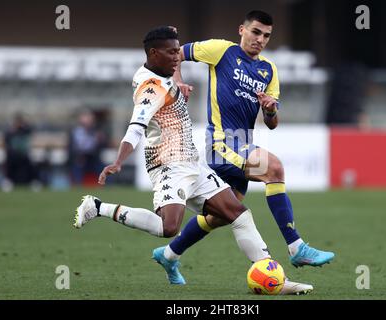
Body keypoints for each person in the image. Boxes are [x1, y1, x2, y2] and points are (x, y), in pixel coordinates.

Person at [73, 26, 312, 295]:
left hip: (192, 162)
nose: (177, 57)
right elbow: (136, 126)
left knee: (239, 215)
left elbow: (169, 76)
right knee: (168, 227)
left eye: (178, 51)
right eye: (171, 52)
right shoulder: (150, 89)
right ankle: (97, 207)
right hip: (166, 164)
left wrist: (179, 82)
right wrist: (118, 161)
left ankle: (273, 280)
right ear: (154, 53)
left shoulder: (162, 73)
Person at [171, 10, 334, 268]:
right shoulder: (221, 50)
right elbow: (176, 53)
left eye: (266, 35)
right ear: (241, 30)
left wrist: (270, 110)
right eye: (256, 32)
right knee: (275, 168)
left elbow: (272, 124)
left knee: (222, 215)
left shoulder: (268, 70)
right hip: (222, 143)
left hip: (242, 145)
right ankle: (296, 246)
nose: (260, 39)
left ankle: (169, 255)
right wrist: (177, 81)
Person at [68, 109, 106, 185]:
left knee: (105, 169)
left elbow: (102, 146)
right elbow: (72, 148)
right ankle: (77, 185)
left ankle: (106, 186)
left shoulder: (96, 131)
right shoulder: (76, 132)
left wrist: (101, 140)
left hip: (93, 158)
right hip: (80, 158)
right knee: (77, 168)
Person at [2, 113, 36, 188]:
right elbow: (6, 141)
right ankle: (8, 181)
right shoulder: (10, 131)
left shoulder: (24, 130)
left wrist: (24, 126)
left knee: (30, 165)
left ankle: (32, 181)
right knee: (9, 165)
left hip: (23, 155)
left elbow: (30, 131)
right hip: (13, 155)